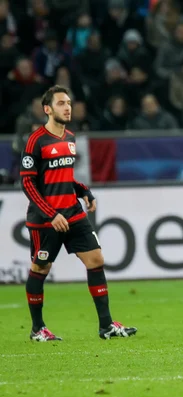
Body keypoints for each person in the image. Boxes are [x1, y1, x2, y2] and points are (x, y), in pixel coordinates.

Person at [20, 85, 137, 341]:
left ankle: (106, 325)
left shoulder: (70, 138)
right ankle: (37, 328)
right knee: (40, 267)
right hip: (46, 219)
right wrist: (51, 214)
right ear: (47, 109)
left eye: (69, 103)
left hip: (72, 213)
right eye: (61, 103)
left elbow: (64, 178)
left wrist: (83, 191)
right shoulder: (36, 140)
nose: (68, 107)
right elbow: (28, 182)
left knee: (96, 260)